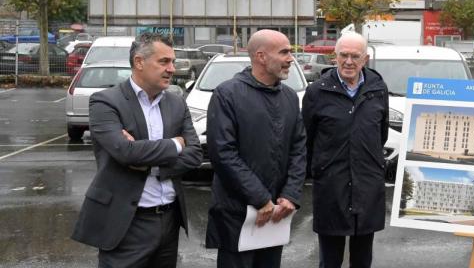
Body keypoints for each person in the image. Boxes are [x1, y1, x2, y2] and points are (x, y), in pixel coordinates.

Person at [71, 32, 202, 267]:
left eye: (172, 61)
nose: (172, 69)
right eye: (164, 62)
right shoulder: (105, 102)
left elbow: (194, 154)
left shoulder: (176, 102)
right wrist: (175, 144)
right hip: (126, 223)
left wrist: (148, 162)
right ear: (139, 62)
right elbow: (125, 152)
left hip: (169, 220)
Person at [205, 30, 306, 268]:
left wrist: (290, 195)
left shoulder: (290, 97)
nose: (290, 58)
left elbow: (299, 148)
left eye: (290, 52)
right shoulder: (227, 94)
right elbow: (223, 154)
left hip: (277, 215)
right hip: (237, 216)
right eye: (284, 52)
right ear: (261, 56)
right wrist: (261, 199)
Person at [302, 32, 390, 268]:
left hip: (367, 187)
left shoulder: (378, 89)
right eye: (343, 55)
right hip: (331, 187)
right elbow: (307, 140)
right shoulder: (317, 92)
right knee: (329, 261)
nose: (349, 62)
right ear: (335, 56)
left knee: (362, 260)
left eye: (355, 56)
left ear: (365, 59)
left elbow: (380, 136)